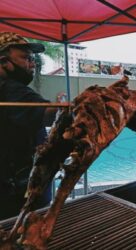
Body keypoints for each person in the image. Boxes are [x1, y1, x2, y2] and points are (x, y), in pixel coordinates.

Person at [0, 32, 57, 220]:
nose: (32, 64)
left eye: (32, 59)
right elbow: (50, 114)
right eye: (25, 58)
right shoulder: (12, 89)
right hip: (18, 196)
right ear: (3, 62)